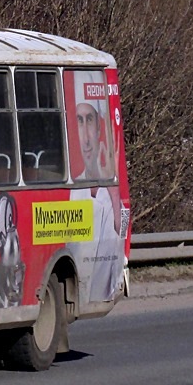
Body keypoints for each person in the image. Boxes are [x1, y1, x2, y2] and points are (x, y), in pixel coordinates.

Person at [69, 71, 123, 303]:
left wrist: (111, 184)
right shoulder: (72, 192)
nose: (86, 138)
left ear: (100, 130)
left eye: (89, 120)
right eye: (79, 122)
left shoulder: (113, 194)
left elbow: (121, 234)